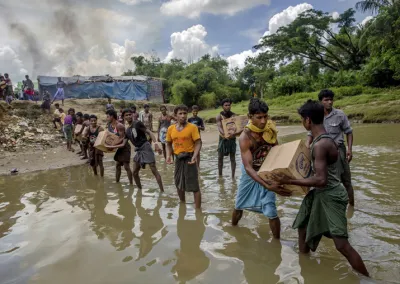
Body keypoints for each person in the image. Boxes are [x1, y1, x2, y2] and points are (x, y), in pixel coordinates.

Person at [275, 100, 369, 277]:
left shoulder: (321, 145)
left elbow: (320, 180)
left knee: (341, 245)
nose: (302, 123)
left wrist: (291, 180)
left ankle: (367, 279)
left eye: (302, 119)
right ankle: (306, 264)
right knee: (302, 226)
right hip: (320, 194)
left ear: (308, 120)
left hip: (331, 195)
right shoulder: (320, 140)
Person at [231, 98, 291, 239]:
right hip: (250, 173)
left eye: (265, 116)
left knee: (271, 210)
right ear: (250, 117)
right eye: (259, 117)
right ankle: (233, 229)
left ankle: (277, 242)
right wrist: (267, 186)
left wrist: (284, 176)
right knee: (239, 204)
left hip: (267, 171)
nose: (263, 121)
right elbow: (248, 167)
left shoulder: (270, 130)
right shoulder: (245, 137)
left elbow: (277, 151)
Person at [306, 90, 355, 206]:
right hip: (320, 152)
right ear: (320, 102)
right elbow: (310, 133)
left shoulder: (340, 114)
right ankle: (330, 205)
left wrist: (349, 150)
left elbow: (349, 132)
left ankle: (351, 207)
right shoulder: (317, 115)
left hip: (338, 151)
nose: (329, 102)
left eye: (331, 99)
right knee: (322, 180)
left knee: (346, 180)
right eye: (326, 100)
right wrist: (307, 145)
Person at [166, 105, 202, 209]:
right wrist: (169, 155)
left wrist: (195, 156)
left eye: (184, 113)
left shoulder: (192, 127)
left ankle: (198, 211)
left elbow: (198, 143)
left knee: (194, 186)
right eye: (180, 114)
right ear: (175, 116)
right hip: (178, 158)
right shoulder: (171, 129)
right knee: (178, 183)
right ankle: (182, 204)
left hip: (190, 158)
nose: (183, 116)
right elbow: (168, 143)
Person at [124, 109, 164, 192]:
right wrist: (110, 146)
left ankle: (162, 191)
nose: (128, 116)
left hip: (146, 147)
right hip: (138, 150)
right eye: (126, 115)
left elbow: (149, 132)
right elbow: (123, 142)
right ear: (123, 117)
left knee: (153, 170)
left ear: (132, 115)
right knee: (134, 172)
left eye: (129, 114)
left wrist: (156, 144)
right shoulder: (127, 130)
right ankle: (140, 191)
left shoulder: (137, 123)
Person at [216, 98, 239, 178]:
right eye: (226, 105)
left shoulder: (234, 115)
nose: (228, 107)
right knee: (220, 158)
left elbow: (237, 127)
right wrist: (225, 134)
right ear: (222, 106)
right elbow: (219, 127)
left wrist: (233, 133)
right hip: (223, 139)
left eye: (229, 105)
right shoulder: (219, 116)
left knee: (233, 158)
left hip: (232, 139)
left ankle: (233, 176)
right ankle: (220, 176)